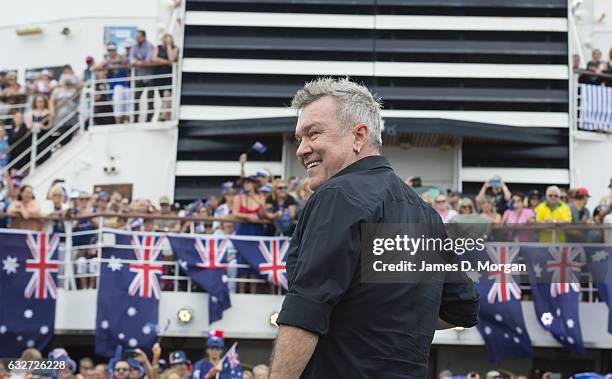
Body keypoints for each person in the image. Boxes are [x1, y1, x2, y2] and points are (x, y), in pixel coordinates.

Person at [271, 78, 479, 378]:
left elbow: (306, 309)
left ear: (358, 136)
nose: (301, 149)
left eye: (313, 133)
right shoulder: (426, 216)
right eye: (299, 138)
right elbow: (462, 308)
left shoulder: (337, 196)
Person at [232, 176, 266, 294]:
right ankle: (241, 293)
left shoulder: (260, 197)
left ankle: (253, 293)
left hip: (257, 232)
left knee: (255, 263)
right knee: (242, 263)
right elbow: (235, 212)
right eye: (245, 183)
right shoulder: (239, 197)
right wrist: (248, 216)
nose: (247, 185)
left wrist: (254, 198)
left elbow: (263, 213)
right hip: (243, 232)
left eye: (250, 183)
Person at [96, 42, 130, 124]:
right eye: (109, 50)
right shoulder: (106, 61)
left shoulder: (122, 58)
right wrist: (107, 64)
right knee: (118, 102)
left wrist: (116, 62)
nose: (111, 52)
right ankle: (118, 122)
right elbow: (97, 67)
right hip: (114, 86)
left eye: (113, 50)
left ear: (116, 50)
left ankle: (126, 121)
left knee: (127, 102)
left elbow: (127, 63)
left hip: (124, 84)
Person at [152, 33, 179, 121]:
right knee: (163, 97)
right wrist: (166, 62)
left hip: (170, 76)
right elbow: (154, 59)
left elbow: (172, 58)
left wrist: (168, 47)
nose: (167, 41)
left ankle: (164, 115)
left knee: (167, 94)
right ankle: (167, 115)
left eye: (169, 39)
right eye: (166, 39)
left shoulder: (175, 48)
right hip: (159, 75)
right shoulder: (158, 48)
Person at [129, 30, 155, 122]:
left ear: (144, 37)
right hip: (140, 76)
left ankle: (149, 119)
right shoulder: (135, 46)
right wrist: (138, 61)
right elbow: (131, 59)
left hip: (149, 76)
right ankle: (135, 119)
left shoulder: (149, 46)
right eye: (136, 36)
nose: (137, 38)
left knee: (150, 98)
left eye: (139, 36)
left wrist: (138, 61)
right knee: (136, 98)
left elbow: (148, 59)